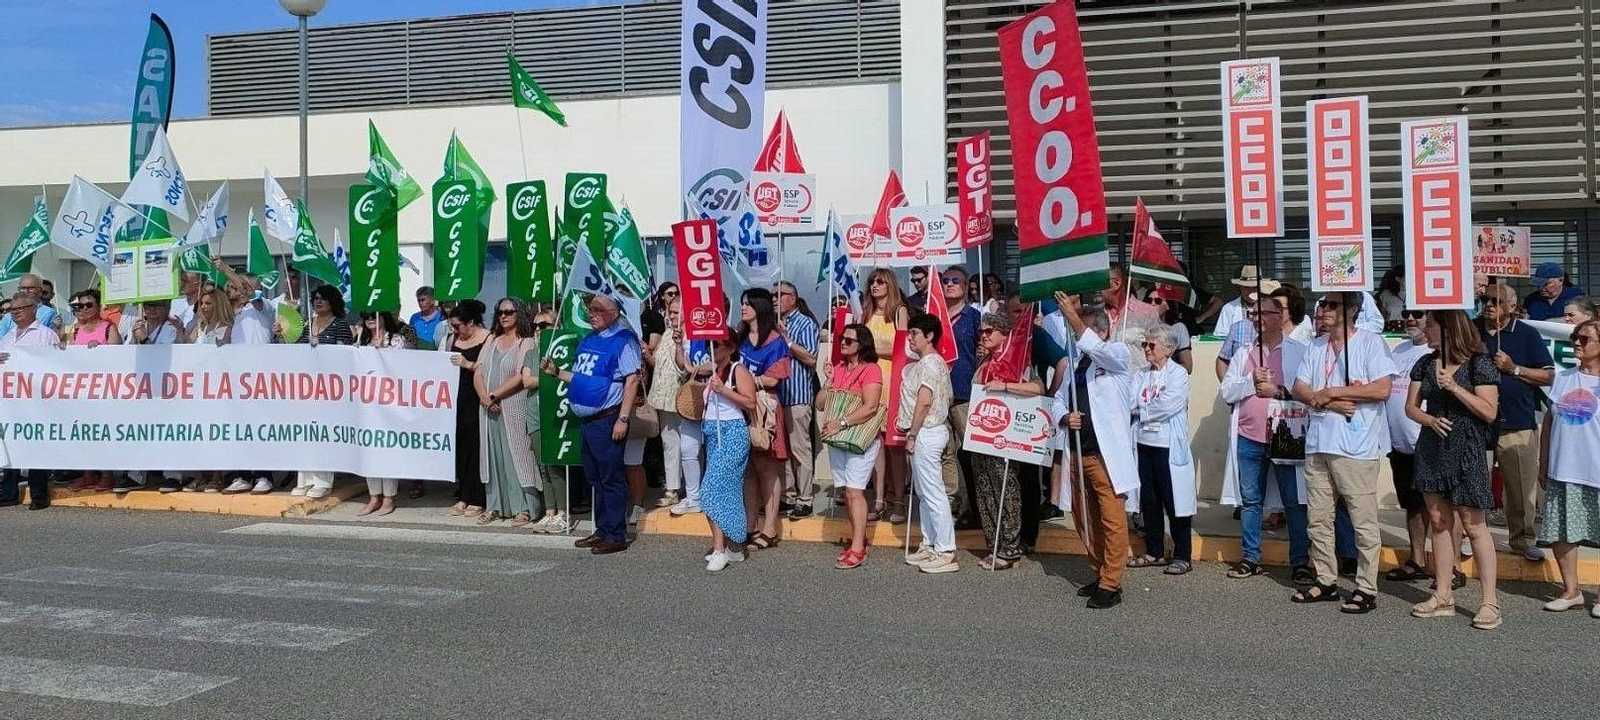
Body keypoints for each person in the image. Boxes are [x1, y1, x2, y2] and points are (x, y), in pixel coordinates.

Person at [1289, 291, 1398, 614]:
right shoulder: (1316, 345)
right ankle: (1325, 579)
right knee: (1319, 519)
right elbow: (1300, 388)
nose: (1322, 310)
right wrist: (1331, 401)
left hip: (1355, 445)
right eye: (1322, 304)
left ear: (1351, 311)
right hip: (1319, 442)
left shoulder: (1369, 343)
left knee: (1363, 521)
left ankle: (1366, 586)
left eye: (1331, 305)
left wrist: (1333, 391)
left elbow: (1381, 389)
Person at [1405, 310, 1503, 629]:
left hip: (1468, 447)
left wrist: (1455, 388)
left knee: (1474, 525)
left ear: (1449, 329)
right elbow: (1410, 407)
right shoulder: (1424, 363)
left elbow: (1489, 412)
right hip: (1433, 446)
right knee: (1438, 521)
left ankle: (1490, 602)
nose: (1425, 329)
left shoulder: (1479, 363)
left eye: (1430, 324)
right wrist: (1429, 419)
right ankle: (1443, 594)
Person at [1219, 288, 1312, 581]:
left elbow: (1307, 394)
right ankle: (1251, 557)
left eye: (1262, 313)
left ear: (1279, 315)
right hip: (1249, 436)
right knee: (1251, 500)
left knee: (1293, 501)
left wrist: (1278, 391)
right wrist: (1250, 381)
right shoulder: (1244, 353)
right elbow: (1227, 392)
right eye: (1252, 313)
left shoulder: (1299, 352)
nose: (1255, 318)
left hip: (1285, 434)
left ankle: (1300, 560)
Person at [1053, 296, 1138, 608]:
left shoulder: (1116, 356)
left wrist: (1073, 318)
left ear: (1102, 332)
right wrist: (1064, 417)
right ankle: (1098, 570)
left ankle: (1112, 583)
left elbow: (1095, 347)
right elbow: (1060, 399)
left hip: (1105, 456)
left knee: (1111, 518)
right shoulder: (1075, 365)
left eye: (1086, 331)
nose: (1079, 337)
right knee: (1084, 517)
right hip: (1077, 452)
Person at [544, 293, 641, 555]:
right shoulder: (588, 340)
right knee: (595, 478)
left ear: (614, 313)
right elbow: (582, 378)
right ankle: (602, 529)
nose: (592, 313)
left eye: (598, 309)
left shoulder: (624, 341)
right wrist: (556, 373)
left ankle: (616, 534)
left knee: (611, 479)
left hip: (607, 418)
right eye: (590, 309)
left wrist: (623, 418)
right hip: (588, 421)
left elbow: (631, 380)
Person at [1479, 282, 1556, 561]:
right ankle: (1472, 537)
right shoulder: (1471, 331)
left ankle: (1522, 540)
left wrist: (1514, 368)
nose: (1488, 305)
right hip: (1478, 423)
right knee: (1474, 485)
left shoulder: (1527, 334)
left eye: (1496, 301)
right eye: (1485, 299)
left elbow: (1548, 375)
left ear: (1512, 307)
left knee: (1521, 489)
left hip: (1518, 422)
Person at [967, 308, 1044, 572]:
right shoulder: (984, 362)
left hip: (1005, 437)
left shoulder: (1017, 359)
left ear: (1004, 334)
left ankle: (1010, 548)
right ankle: (995, 543)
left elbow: (1037, 388)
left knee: (1006, 490)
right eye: (981, 331)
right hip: (981, 435)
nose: (984, 336)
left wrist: (1007, 386)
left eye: (990, 331)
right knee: (985, 489)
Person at [1538, 319, 1600, 617]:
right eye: (1575, 336)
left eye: (1584, 338)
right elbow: (1549, 421)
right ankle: (1571, 590)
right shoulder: (1563, 378)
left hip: (1596, 471)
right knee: (1562, 532)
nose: (1576, 342)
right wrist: (1544, 461)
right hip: (1563, 469)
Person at [1383, 309, 1445, 584]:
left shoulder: (1438, 356)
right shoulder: (1397, 352)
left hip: (1430, 442)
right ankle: (1417, 560)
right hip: (1400, 445)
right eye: (1406, 313)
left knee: (1442, 508)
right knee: (1413, 506)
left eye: (1418, 315)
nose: (1410, 319)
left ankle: (1449, 566)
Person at [1129, 323, 1197, 575]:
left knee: (1174, 500)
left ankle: (1182, 554)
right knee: (1149, 500)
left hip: (1168, 445)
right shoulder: (1141, 374)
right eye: (1144, 344)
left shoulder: (1178, 373)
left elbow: (1170, 403)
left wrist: (1141, 411)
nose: (1146, 348)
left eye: (1151, 344)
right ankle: (1154, 550)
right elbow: (1130, 400)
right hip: (1144, 442)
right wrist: (1143, 410)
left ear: (1168, 348)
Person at [822, 323, 884, 569]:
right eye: (841, 339)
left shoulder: (871, 370)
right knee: (847, 491)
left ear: (862, 345)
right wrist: (828, 382)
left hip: (859, 437)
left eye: (848, 340)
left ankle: (858, 547)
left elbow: (871, 405)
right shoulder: (837, 368)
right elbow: (820, 403)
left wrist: (842, 422)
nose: (843, 343)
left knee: (855, 491)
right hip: (839, 438)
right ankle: (858, 540)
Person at [899, 314, 958, 574]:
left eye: (914, 333)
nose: (910, 338)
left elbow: (925, 401)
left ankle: (945, 550)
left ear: (929, 335)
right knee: (924, 493)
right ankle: (930, 542)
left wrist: (912, 434)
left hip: (927, 431)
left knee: (933, 492)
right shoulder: (925, 363)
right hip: (924, 432)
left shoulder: (930, 363)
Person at [475, 299, 541, 526]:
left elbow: (520, 377)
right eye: (500, 312)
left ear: (518, 314)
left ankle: (523, 507)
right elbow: (478, 371)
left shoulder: (526, 342)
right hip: (487, 408)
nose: (504, 316)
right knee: (492, 455)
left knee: (518, 454)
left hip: (512, 406)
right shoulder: (491, 340)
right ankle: (494, 505)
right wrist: (484, 397)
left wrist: (495, 395)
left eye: (509, 312)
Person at [737, 288, 792, 548]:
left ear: (759, 307)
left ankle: (770, 528)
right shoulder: (741, 337)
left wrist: (746, 381)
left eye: (748, 304)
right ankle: (750, 524)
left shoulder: (775, 341)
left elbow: (774, 378)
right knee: (748, 468)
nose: (743, 308)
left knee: (767, 467)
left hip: (764, 408)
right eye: (742, 303)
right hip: (740, 407)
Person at [118, 299, 188, 493]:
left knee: (169, 432)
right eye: (148, 306)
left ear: (167, 307)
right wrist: (136, 337)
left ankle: (172, 476)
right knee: (138, 430)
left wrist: (144, 340)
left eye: (157, 305)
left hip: (167, 388)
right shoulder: (138, 326)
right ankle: (135, 474)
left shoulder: (171, 328)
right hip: (141, 387)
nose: (151, 309)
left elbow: (163, 356)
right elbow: (126, 355)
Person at [0, 291, 61, 510]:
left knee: (36, 447)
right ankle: (8, 492)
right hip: (11, 401)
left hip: (36, 400)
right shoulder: (7, 338)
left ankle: (39, 494)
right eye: (11, 310)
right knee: (10, 447)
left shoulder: (45, 335)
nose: (15, 314)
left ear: (33, 309)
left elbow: (55, 365)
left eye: (19, 309)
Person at [701, 329, 755, 572]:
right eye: (709, 345)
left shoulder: (737, 370)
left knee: (711, 488)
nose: (713, 349)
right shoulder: (713, 371)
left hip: (732, 433)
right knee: (727, 491)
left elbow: (750, 402)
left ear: (731, 348)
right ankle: (733, 545)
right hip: (713, 433)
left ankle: (720, 548)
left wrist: (724, 390)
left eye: (718, 345)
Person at [59, 289, 121, 493]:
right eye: (78, 306)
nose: (83, 309)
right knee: (82, 433)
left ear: (98, 307)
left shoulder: (107, 329)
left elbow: (120, 357)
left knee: (102, 433)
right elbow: (61, 355)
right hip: (78, 391)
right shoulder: (72, 330)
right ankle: (87, 473)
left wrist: (102, 351)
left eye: (88, 305)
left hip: (103, 391)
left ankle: (106, 474)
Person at [862, 267, 909, 522]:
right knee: (874, 444)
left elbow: (900, 348)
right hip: (870, 383)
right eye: (872, 282)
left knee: (895, 446)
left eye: (880, 281)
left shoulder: (900, 311)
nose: (875, 285)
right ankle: (879, 499)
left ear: (890, 285)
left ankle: (899, 500)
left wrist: (872, 347)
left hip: (893, 382)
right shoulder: (866, 312)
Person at [774, 281, 820, 519]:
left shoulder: (805, 323)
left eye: (780, 295)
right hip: (776, 397)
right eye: (773, 295)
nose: (775, 299)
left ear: (793, 298)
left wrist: (787, 340)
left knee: (800, 449)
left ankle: (805, 498)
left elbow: (811, 358)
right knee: (782, 451)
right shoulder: (772, 324)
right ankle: (787, 495)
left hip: (798, 395)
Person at [941, 266, 982, 527]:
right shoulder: (937, 315)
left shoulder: (974, 317)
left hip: (966, 392)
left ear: (966, 286)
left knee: (968, 452)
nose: (949, 284)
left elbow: (983, 351)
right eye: (945, 281)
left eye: (955, 280)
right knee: (945, 453)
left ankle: (974, 507)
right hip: (940, 394)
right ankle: (951, 503)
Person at [646, 296, 692, 510]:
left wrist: (679, 343)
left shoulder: (690, 336)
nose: (671, 316)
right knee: (669, 443)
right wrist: (647, 354)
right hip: (663, 397)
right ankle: (672, 487)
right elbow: (659, 364)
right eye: (669, 312)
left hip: (683, 399)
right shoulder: (666, 333)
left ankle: (691, 488)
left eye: (675, 312)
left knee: (688, 446)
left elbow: (683, 369)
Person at [448, 301, 491, 518]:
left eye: (458, 326)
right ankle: (463, 494)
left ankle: (478, 496)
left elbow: (490, 367)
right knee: (462, 446)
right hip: (458, 397)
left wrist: (468, 364)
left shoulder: (488, 338)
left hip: (478, 395)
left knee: (477, 446)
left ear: (471, 322)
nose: (455, 330)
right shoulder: (453, 339)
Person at [1143, 284, 1194, 373]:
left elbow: (1188, 366)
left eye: (1158, 301)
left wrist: (1160, 369)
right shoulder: (1139, 329)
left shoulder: (1178, 329)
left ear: (1168, 305)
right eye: (1149, 300)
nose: (1152, 303)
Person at [1214, 265, 1260, 337]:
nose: (1251, 292)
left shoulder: (1271, 307)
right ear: (1240, 288)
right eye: (1247, 288)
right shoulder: (1229, 308)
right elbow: (1221, 336)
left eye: (1255, 288)